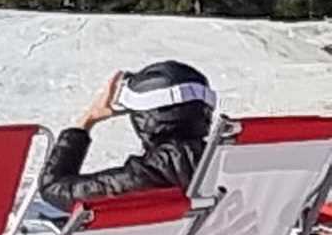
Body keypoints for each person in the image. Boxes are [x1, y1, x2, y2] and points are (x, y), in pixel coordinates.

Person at [40, 59, 217, 205]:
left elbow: (53, 188)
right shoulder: (225, 166)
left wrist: (87, 120)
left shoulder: (141, 178)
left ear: (145, 118)